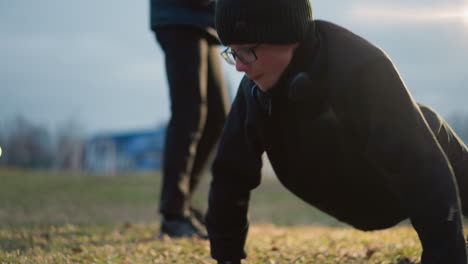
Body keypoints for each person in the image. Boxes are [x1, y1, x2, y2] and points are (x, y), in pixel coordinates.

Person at [205, 0, 468, 263]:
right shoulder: (253, 91)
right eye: (233, 53)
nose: (239, 66)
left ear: (286, 36)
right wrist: (227, 258)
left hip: (384, 187)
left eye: (246, 51)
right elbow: (230, 175)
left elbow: (422, 170)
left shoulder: (363, 68)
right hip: (334, 191)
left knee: (428, 124)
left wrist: (444, 256)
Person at [150, 0, 230, 238]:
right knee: (189, 112)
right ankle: (173, 216)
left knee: (217, 117)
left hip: (202, 22)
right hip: (178, 17)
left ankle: (181, 202)